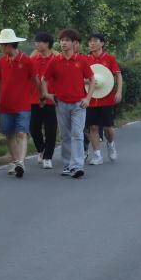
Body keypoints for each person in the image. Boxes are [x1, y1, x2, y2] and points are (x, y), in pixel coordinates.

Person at [0, 29, 40, 178]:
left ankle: (20, 163)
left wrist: (41, 95)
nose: (0, 47)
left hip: (23, 104)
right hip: (5, 104)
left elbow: (35, 80)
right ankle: (15, 160)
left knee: (21, 133)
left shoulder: (27, 61)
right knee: (9, 134)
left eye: (2, 45)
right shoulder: (2, 61)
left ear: (9, 45)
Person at [45, 28, 93, 179]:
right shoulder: (55, 60)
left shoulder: (82, 60)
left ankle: (77, 166)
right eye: (61, 40)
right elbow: (44, 79)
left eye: (67, 40)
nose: (63, 43)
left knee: (77, 134)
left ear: (74, 43)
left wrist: (88, 98)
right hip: (61, 103)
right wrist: (47, 94)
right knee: (65, 135)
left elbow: (92, 79)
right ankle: (67, 165)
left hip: (79, 104)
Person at [85, 33, 123, 165]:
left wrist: (119, 91)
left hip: (107, 97)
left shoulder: (110, 59)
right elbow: (80, 77)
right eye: (90, 41)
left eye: (95, 41)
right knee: (93, 127)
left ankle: (111, 144)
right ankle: (97, 156)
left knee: (108, 127)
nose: (92, 43)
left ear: (102, 43)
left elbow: (118, 75)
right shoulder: (86, 59)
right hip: (90, 97)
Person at [29, 31, 58, 169]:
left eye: (40, 42)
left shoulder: (56, 59)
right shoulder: (32, 60)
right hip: (34, 99)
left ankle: (48, 157)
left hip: (51, 99)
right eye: (36, 42)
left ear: (47, 44)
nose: (37, 44)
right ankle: (41, 149)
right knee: (33, 128)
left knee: (50, 129)